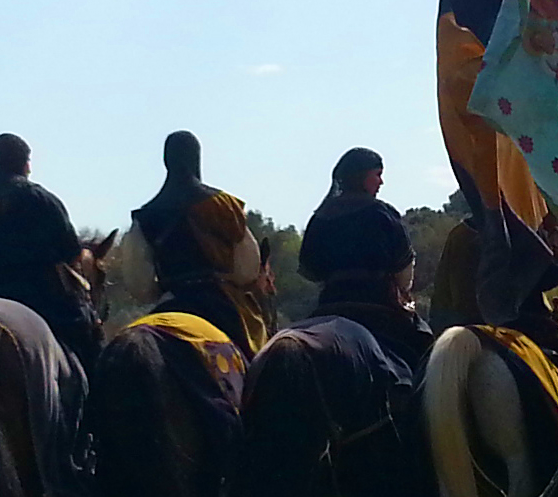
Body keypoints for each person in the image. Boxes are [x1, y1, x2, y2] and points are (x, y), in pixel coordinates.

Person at [0, 132, 100, 370]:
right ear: (25, 163)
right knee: (86, 330)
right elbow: (72, 253)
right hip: (34, 300)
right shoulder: (39, 198)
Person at [125, 131, 269, 357]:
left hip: (170, 300)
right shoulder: (225, 205)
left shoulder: (145, 216)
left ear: (166, 161)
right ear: (197, 158)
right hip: (221, 302)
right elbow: (247, 270)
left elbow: (139, 285)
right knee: (255, 356)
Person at [299, 148, 431, 371]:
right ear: (362, 176)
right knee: (424, 348)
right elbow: (403, 270)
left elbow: (309, 270)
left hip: (329, 304)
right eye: (377, 174)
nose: (381, 182)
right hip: (377, 304)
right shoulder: (382, 213)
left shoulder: (320, 217)